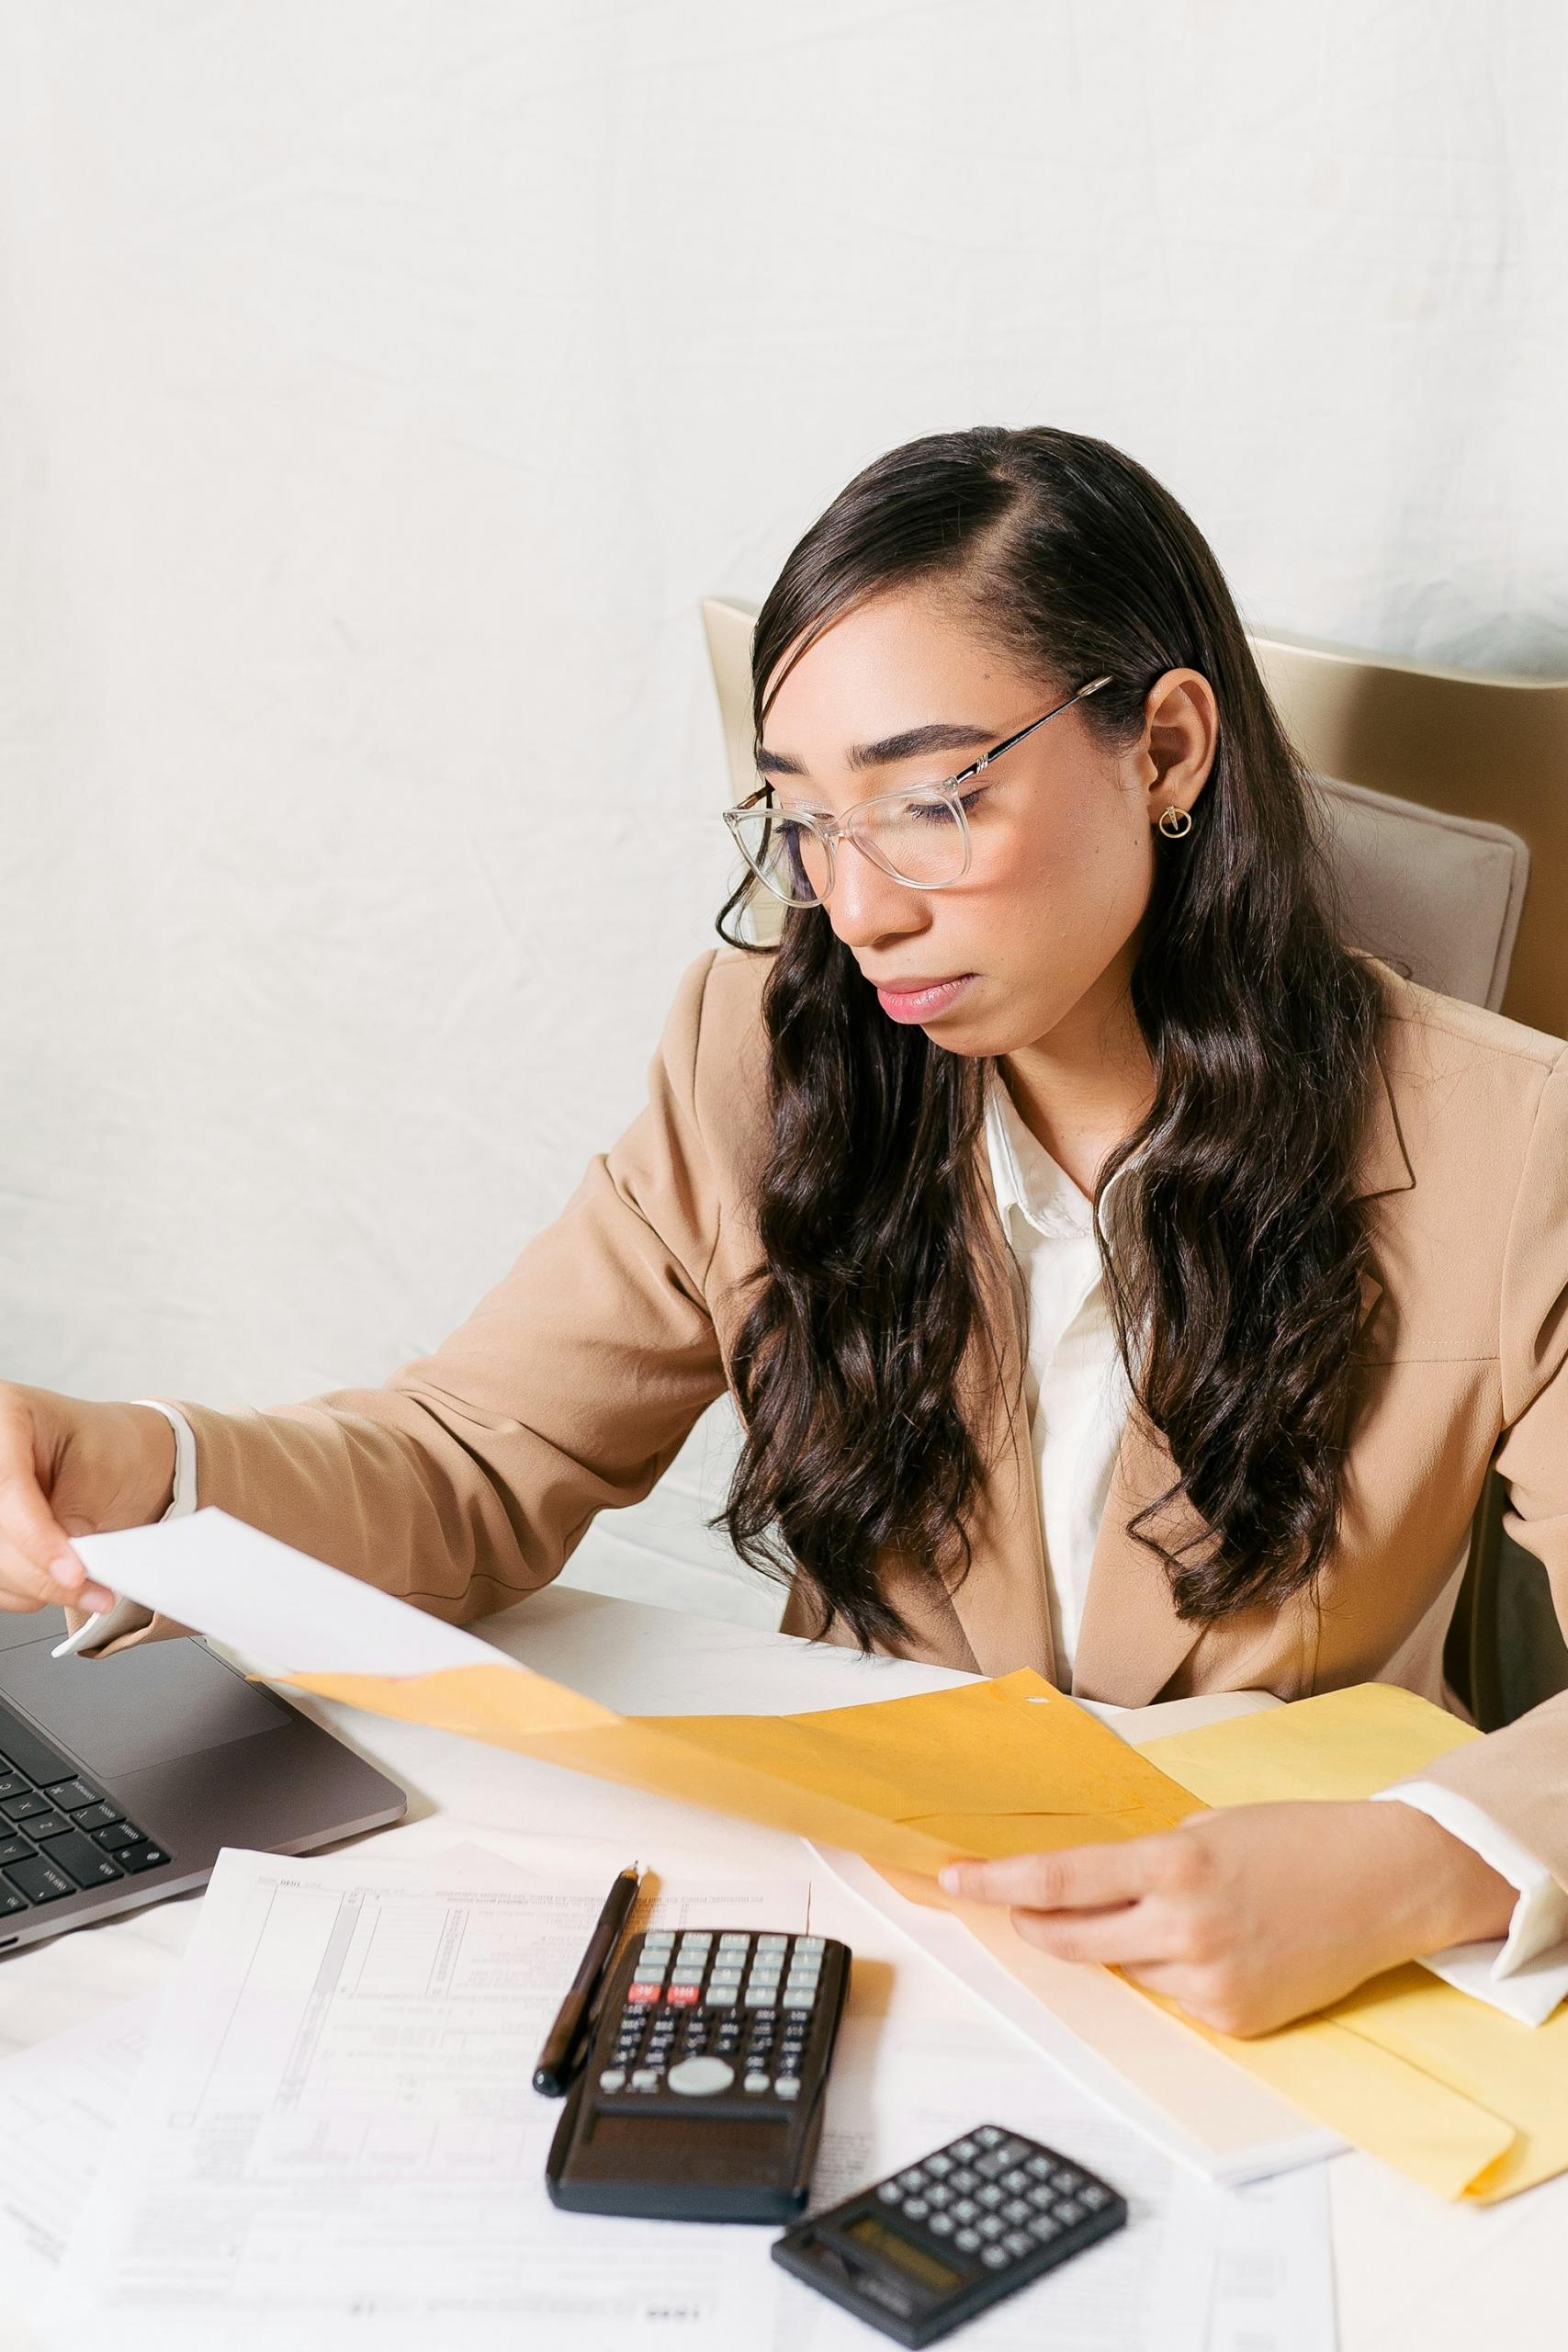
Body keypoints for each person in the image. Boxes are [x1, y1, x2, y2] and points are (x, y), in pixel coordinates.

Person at [4, 425, 1566, 2039]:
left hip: (1296, 1998)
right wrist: (127, 1471)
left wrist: (1407, 1865)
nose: (862, 906)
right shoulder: (763, 1050)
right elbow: (471, 1456)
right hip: (863, 1932)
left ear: (1165, 751)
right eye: (803, 822)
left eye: (932, 801)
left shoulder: (1509, 1140)